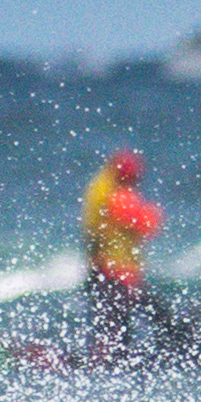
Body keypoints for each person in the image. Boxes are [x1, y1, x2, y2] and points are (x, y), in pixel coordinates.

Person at [79, 147, 167, 363]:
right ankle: (110, 364)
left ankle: (109, 361)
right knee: (119, 325)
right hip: (116, 272)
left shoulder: (100, 189)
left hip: (104, 270)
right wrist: (152, 212)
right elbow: (147, 224)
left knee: (112, 324)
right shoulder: (115, 195)